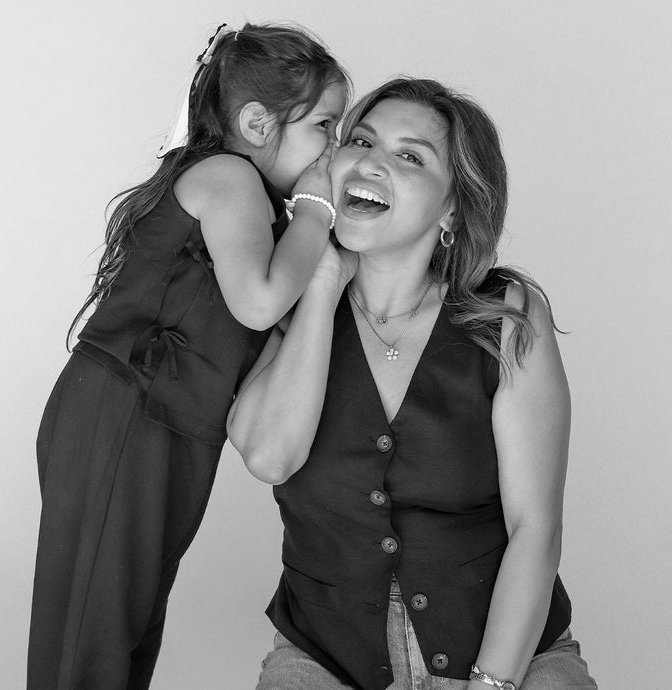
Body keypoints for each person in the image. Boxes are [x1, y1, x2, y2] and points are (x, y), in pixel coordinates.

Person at [228, 77, 598, 689]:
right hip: (326, 659)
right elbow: (270, 457)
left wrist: (490, 684)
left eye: (410, 156)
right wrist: (322, 282)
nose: (372, 162)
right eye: (361, 141)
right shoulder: (284, 303)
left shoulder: (504, 315)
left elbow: (536, 530)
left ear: (452, 207)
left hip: (508, 657)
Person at [27, 22, 348, 690]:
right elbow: (260, 303)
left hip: (173, 430)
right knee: (94, 630)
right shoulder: (229, 177)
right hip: (124, 415)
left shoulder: (262, 210)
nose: (335, 148)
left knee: (126, 623)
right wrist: (317, 212)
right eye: (325, 125)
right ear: (258, 123)